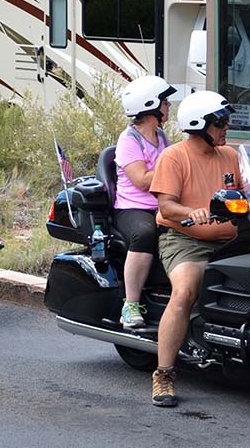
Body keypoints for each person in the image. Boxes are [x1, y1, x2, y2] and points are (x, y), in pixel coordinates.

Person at [148, 90, 242, 407]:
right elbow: (167, 206)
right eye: (221, 123)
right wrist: (193, 212)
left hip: (230, 239)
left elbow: (246, 190)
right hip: (184, 240)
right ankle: (163, 374)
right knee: (186, 290)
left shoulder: (229, 155)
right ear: (199, 125)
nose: (226, 128)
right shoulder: (174, 157)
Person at [114, 75, 176, 330]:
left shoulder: (161, 136)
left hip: (161, 202)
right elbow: (141, 180)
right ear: (151, 105)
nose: (169, 106)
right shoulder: (129, 140)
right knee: (144, 232)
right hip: (132, 207)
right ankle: (130, 304)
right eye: (165, 102)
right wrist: (172, 170)